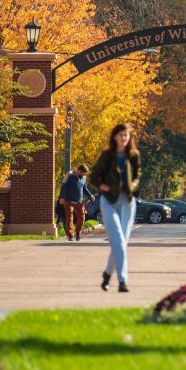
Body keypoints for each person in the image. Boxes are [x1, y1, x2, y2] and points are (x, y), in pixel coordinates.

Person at [89, 123, 140, 292]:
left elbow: (137, 175)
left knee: (121, 242)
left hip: (127, 202)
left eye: (126, 135)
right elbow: (94, 176)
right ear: (115, 136)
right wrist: (103, 187)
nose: (123, 138)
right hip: (109, 201)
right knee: (118, 240)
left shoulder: (133, 155)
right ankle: (122, 281)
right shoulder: (107, 155)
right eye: (120, 135)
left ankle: (107, 274)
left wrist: (133, 184)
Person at [58, 164, 94, 241]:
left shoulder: (84, 178)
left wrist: (90, 195)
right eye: (84, 173)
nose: (84, 175)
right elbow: (63, 186)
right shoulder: (70, 175)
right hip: (68, 200)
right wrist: (62, 197)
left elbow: (84, 188)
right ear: (79, 171)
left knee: (82, 218)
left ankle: (77, 232)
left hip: (79, 201)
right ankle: (70, 235)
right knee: (69, 218)